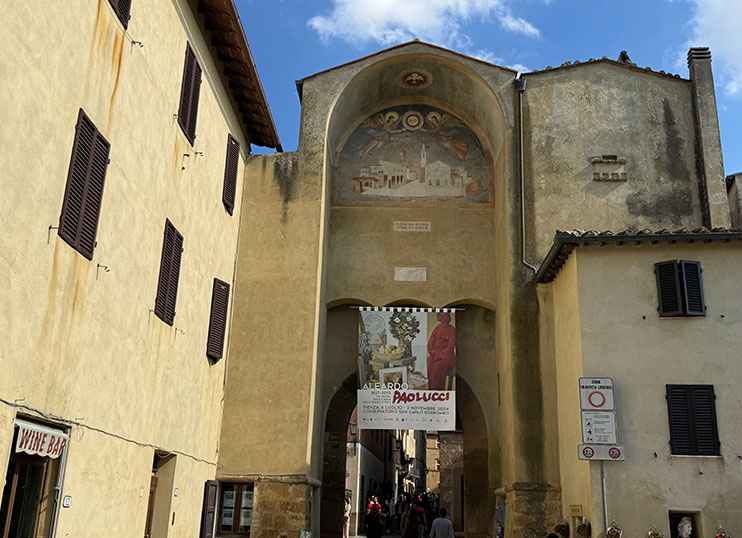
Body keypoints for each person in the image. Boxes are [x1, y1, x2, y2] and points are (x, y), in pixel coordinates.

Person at [427, 312, 456, 390]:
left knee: (437, 367)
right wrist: (435, 353)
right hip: (436, 355)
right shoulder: (437, 328)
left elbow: (450, 347)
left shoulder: (452, 329)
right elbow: (430, 344)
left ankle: (438, 391)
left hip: (447, 357)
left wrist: (440, 355)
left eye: (446, 315)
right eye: (441, 315)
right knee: (428, 362)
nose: (443, 317)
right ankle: (431, 390)